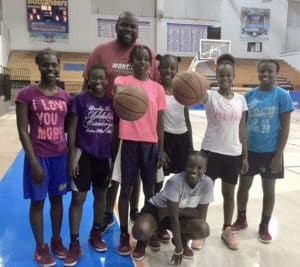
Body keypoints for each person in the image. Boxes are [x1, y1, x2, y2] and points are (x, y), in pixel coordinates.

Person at [82, 11, 159, 228]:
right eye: (124, 25)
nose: (129, 30)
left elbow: (155, 88)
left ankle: (134, 209)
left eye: (133, 27)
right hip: (106, 122)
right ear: (116, 26)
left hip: (137, 125)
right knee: (113, 169)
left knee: (132, 172)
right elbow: (85, 86)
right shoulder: (100, 51)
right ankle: (108, 211)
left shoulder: (147, 53)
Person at [16, 48, 70, 267]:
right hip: (39, 157)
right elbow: (22, 130)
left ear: (59, 66)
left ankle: (56, 240)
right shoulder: (26, 94)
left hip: (60, 156)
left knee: (57, 200)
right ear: (38, 66)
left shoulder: (65, 96)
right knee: (38, 202)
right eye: (46, 64)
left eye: (54, 64)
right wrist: (33, 161)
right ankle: (40, 248)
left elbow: (67, 127)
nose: (51, 68)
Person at [232, 59, 294, 243]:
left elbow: (285, 129)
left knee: (269, 190)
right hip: (250, 151)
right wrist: (243, 153)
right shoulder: (249, 95)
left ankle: (264, 225)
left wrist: (278, 156)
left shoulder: (282, 96)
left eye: (269, 71)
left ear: (276, 73)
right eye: (262, 71)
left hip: (271, 152)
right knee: (243, 187)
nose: (265, 74)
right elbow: (242, 126)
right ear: (257, 72)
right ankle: (241, 219)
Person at [114, 45, 167, 256]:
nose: (143, 63)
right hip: (128, 142)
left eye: (147, 60)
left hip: (150, 145)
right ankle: (124, 234)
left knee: (149, 193)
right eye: (138, 59)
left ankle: (146, 235)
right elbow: (118, 93)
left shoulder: (158, 88)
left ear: (150, 63)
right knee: (125, 190)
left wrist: (161, 150)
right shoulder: (122, 81)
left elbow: (160, 123)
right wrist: (123, 94)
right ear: (131, 61)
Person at [63, 64, 118, 266]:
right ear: (88, 79)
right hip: (83, 155)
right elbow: (72, 128)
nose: (98, 81)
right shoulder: (79, 99)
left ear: (107, 80)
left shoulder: (112, 102)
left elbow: (114, 133)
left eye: (102, 78)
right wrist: (71, 158)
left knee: (101, 194)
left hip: (104, 157)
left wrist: (114, 157)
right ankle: (74, 242)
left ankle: (95, 232)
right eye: (94, 78)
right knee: (78, 197)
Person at [200, 53, 248, 250]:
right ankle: (199, 230)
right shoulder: (210, 96)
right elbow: (194, 91)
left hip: (233, 154)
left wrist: (244, 155)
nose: (225, 79)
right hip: (210, 151)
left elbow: (242, 129)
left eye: (229, 75)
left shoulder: (241, 100)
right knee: (204, 193)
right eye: (221, 75)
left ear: (234, 75)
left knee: (229, 194)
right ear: (216, 77)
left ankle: (227, 230)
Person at [131, 151, 213, 265]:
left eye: (199, 167)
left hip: (177, 213)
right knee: (140, 231)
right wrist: (178, 250)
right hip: (158, 211)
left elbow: (201, 215)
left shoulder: (207, 183)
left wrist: (180, 211)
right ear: (185, 166)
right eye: (191, 166)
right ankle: (145, 240)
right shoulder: (175, 182)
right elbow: (174, 218)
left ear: (205, 169)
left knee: (202, 228)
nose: (194, 170)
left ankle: (182, 239)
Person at [149, 54, 193, 249]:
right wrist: (159, 148)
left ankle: (178, 224)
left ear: (177, 70)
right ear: (159, 68)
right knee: (158, 183)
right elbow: (156, 121)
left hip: (182, 139)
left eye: (172, 68)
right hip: (164, 139)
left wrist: (191, 147)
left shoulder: (182, 90)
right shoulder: (156, 89)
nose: (168, 71)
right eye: (164, 67)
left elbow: (187, 119)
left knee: (183, 184)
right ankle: (156, 223)